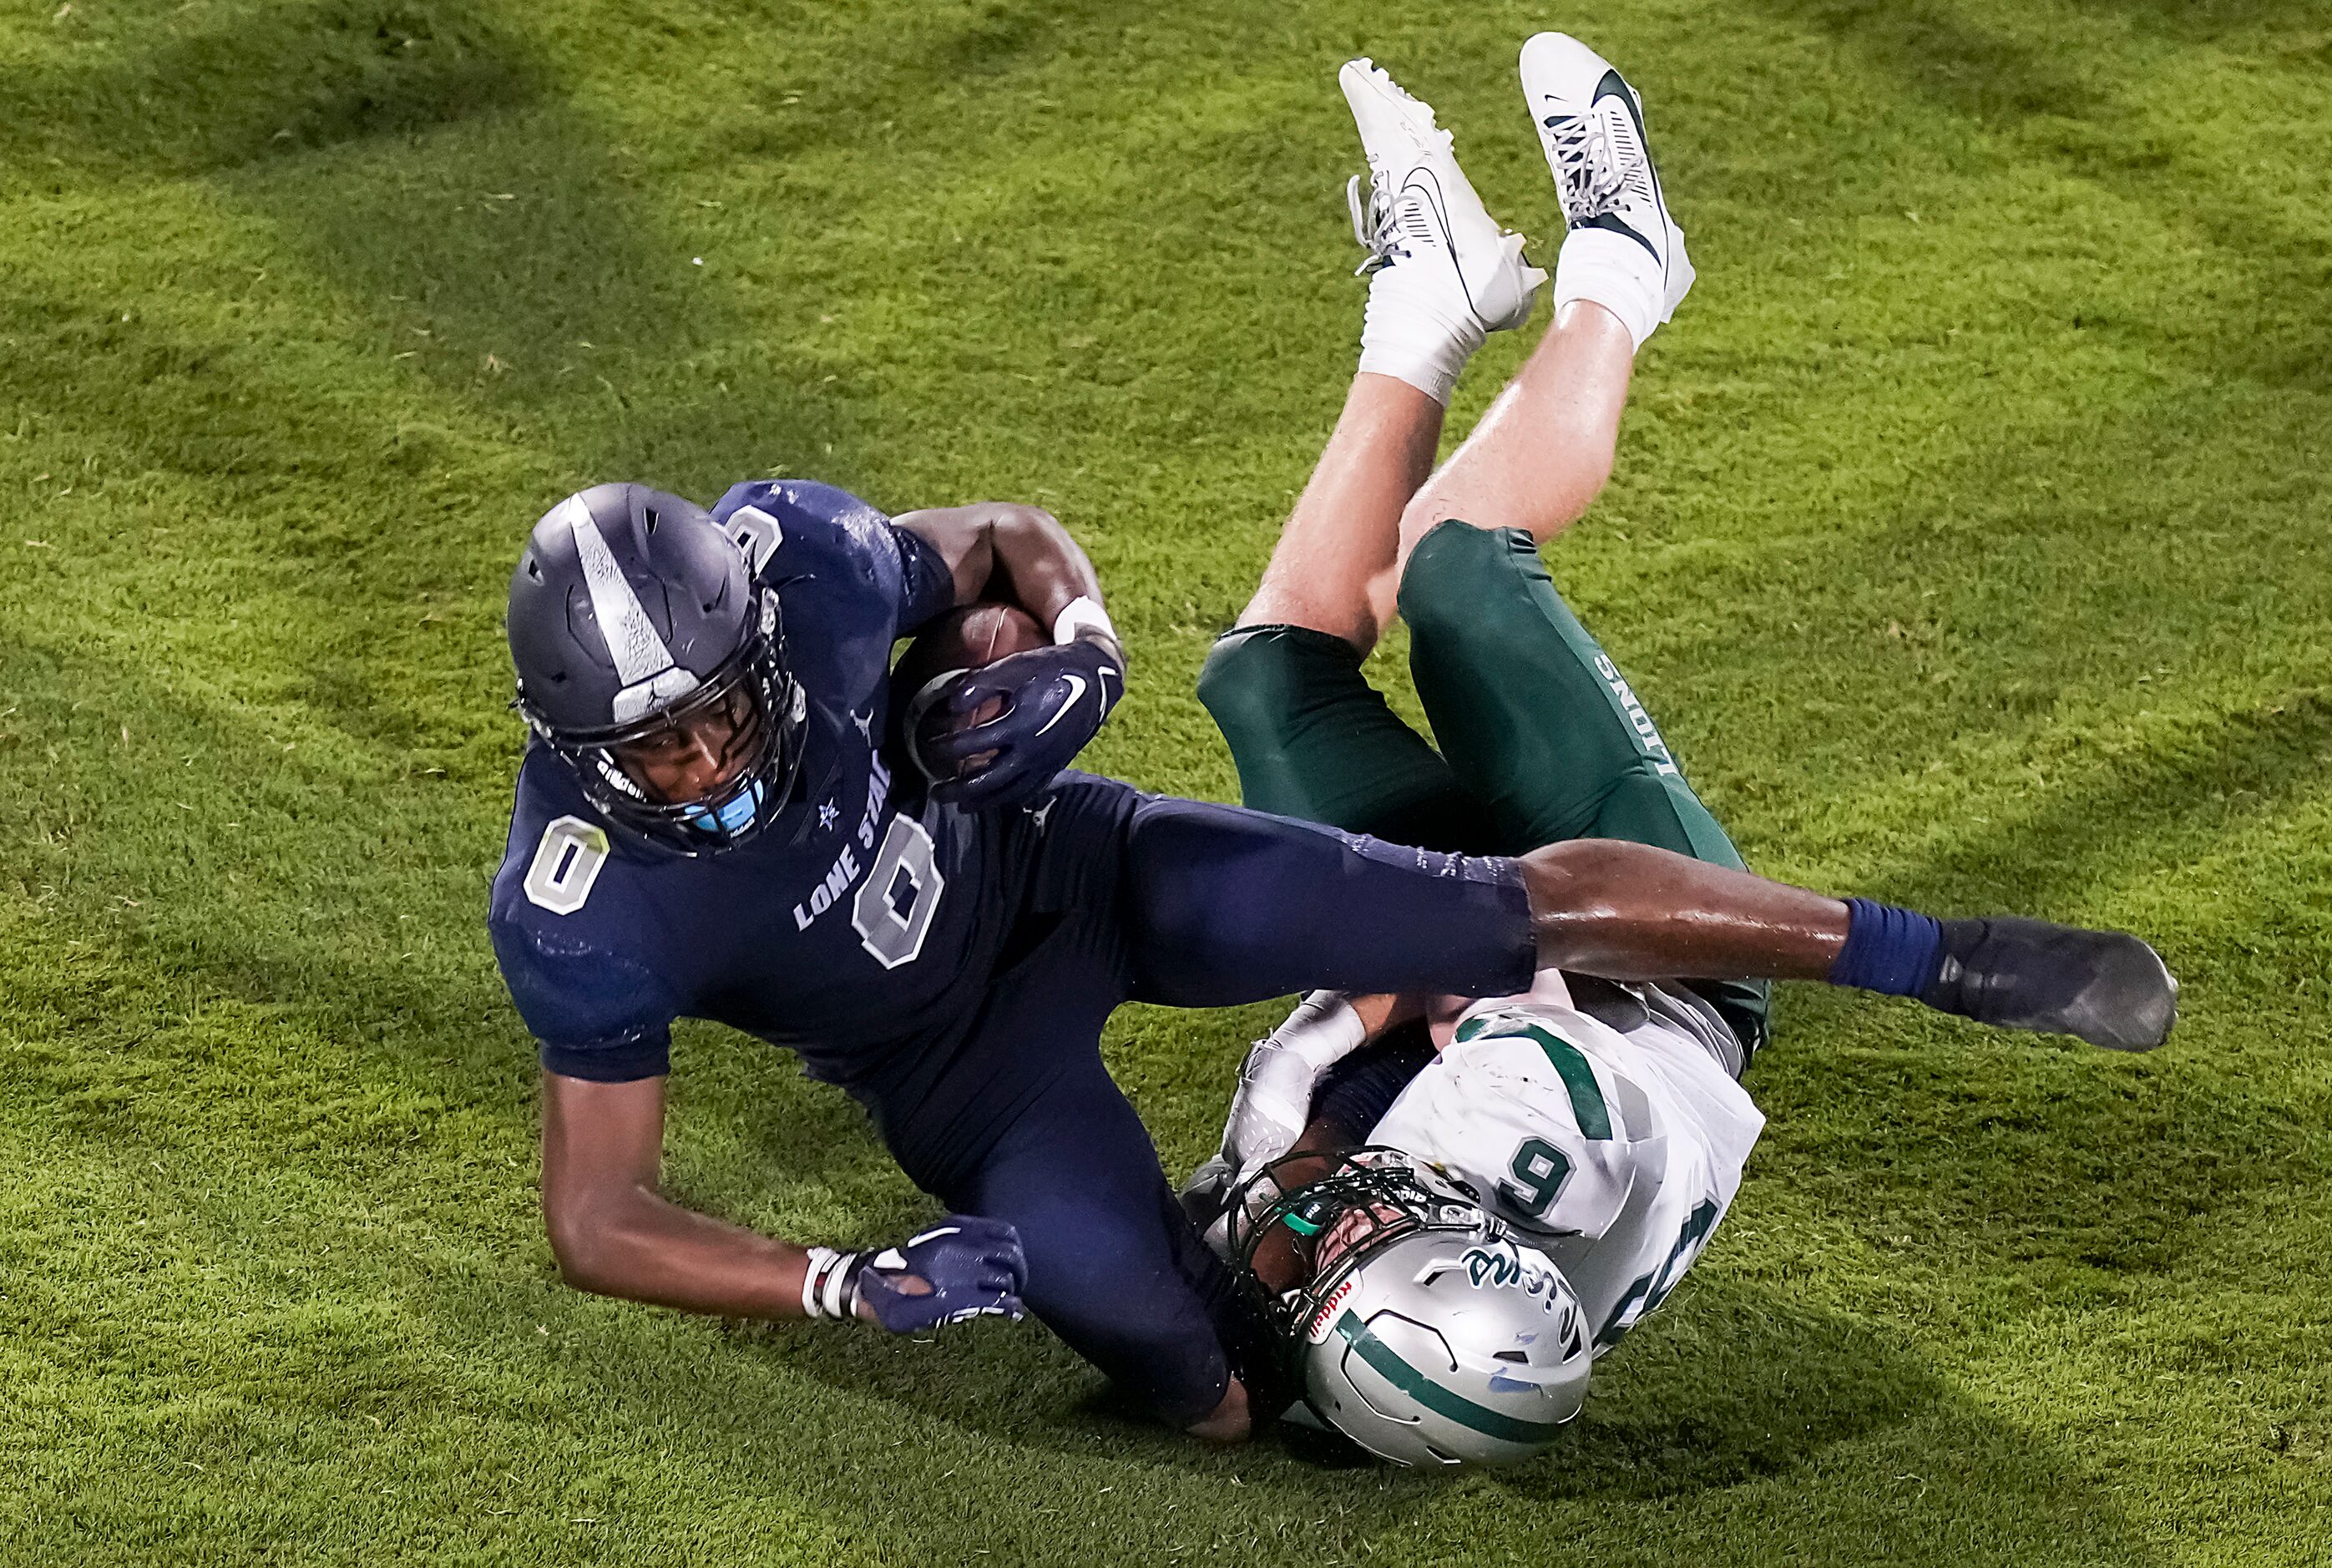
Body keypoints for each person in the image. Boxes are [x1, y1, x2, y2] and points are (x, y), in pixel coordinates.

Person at [486, 35, 2171, 1448]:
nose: (697, 766)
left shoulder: (790, 595)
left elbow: (1002, 540)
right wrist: (846, 1275)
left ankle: (1933, 954)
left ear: (750, 646)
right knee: (1204, 1387)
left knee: (1376, 747)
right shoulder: (582, 899)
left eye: (711, 718)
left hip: (1075, 872)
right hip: (979, 1065)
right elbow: (593, 1214)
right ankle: (1507, 300)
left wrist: (1068, 650)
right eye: (653, 752)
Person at [1181, 37, 2178, 1461]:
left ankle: (1426, 309)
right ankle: (1623, 271)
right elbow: (1528, 917)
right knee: (1453, 571)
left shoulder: (1297, 1307)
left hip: (1478, 982)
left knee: (1268, 680)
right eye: (1359, 1227)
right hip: (1649, 958)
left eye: (1316, 1259)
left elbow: (1187, 1318)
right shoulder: (1530, 1150)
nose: (1318, 1221)